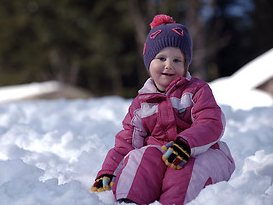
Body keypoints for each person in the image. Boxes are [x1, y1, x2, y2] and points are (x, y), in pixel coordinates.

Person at [91, 14, 235, 205]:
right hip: (162, 157)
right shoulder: (141, 104)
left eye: (177, 60)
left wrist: (185, 143)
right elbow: (126, 143)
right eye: (161, 58)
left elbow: (211, 122)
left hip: (201, 153)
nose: (169, 65)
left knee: (185, 170)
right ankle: (129, 200)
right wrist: (108, 171)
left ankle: (174, 202)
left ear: (185, 66)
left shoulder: (196, 91)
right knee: (140, 157)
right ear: (149, 63)